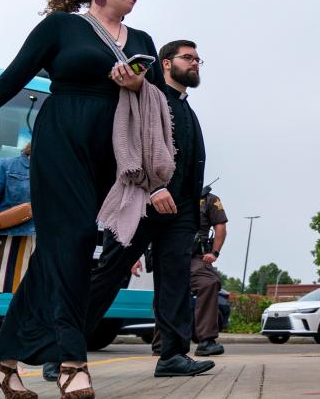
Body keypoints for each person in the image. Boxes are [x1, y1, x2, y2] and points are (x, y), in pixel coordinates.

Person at [0, 0, 160, 399]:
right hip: (62, 140)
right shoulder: (61, 27)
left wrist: (135, 86)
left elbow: (160, 98)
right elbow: (11, 79)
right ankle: (71, 361)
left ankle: (5, 359)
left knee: (59, 250)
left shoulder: (143, 40)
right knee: (71, 240)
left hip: (112, 151)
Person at [45, 40, 215, 381]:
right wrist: (153, 188)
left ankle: (172, 355)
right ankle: (61, 352)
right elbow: (127, 144)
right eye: (188, 57)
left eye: (198, 59)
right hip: (141, 201)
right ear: (166, 63)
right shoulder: (147, 97)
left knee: (175, 280)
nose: (195, 63)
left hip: (180, 211)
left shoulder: (188, 110)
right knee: (109, 274)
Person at [192, 185, 227, 356]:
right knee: (165, 292)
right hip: (169, 255)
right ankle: (162, 346)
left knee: (208, 283)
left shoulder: (209, 199)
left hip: (195, 256)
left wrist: (214, 253)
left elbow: (220, 226)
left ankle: (206, 341)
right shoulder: (166, 193)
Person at [0, 145, 35, 294]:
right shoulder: (7, 165)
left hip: (47, 244)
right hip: (14, 241)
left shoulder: (58, 173)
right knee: (9, 293)